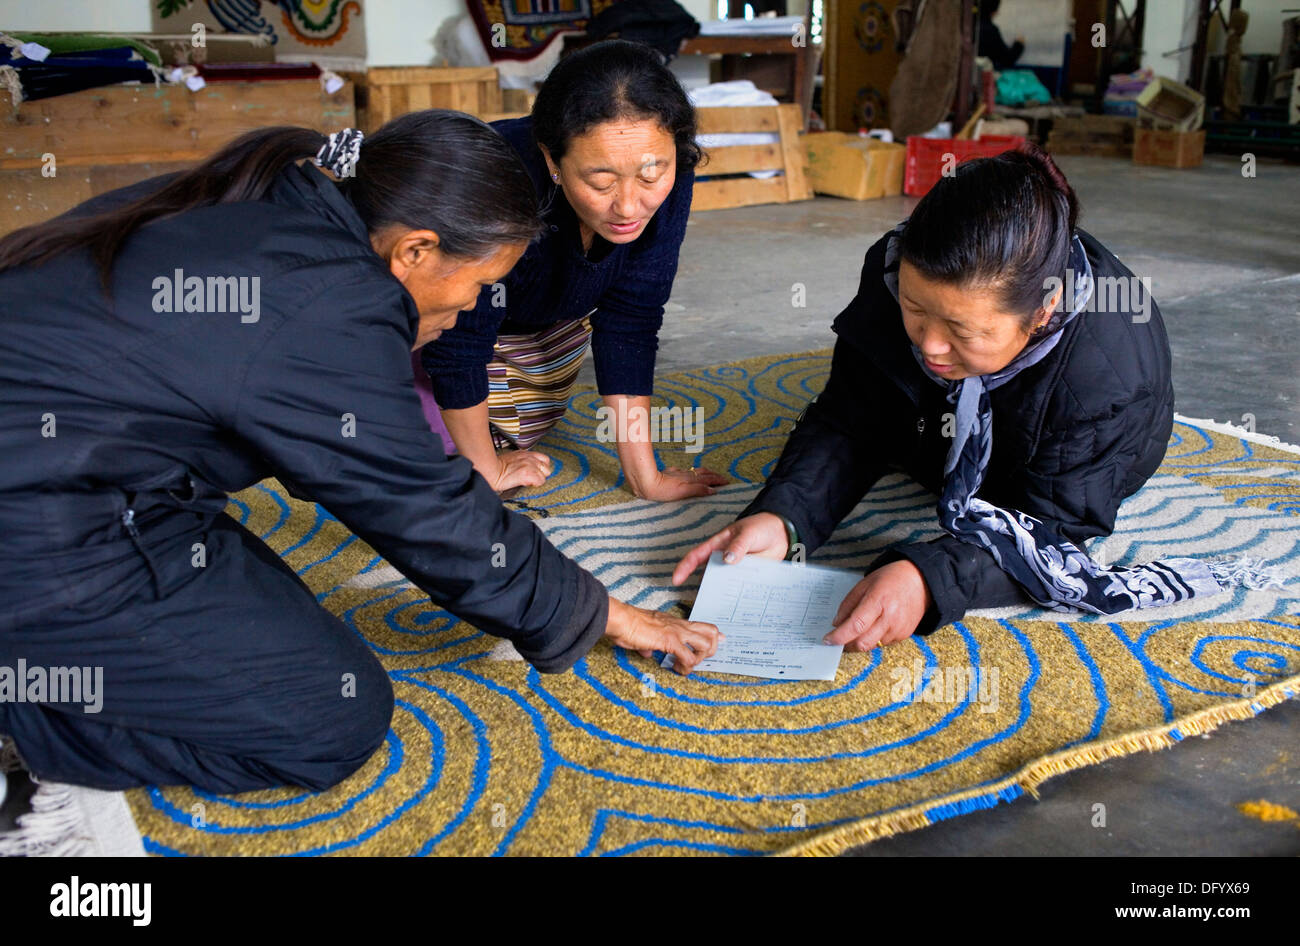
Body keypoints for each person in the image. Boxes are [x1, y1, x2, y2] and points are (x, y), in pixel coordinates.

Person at [0, 111, 719, 795]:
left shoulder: (289, 200)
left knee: (273, 618)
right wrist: (610, 614)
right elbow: (426, 510)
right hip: (38, 523)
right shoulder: (325, 304)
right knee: (330, 720)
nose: (472, 310)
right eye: (478, 286)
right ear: (415, 250)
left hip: (85, 476)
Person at [675, 144, 1239, 652]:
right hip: (938, 432)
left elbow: (1055, 530)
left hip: (1071, 464)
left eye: (963, 332)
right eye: (916, 311)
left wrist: (928, 577)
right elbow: (853, 415)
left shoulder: (1108, 374)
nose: (930, 346)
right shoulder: (899, 267)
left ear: (1042, 313)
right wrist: (785, 518)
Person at [415, 40, 729, 501]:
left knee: (516, 418)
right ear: (551, 159)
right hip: (430, 324)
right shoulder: (500, 179)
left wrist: (647, 478)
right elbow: (458, 341)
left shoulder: (672, 168)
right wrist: (487, 470)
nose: (628, 206)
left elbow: (631, 320)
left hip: (538, 326)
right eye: (600, 182)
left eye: (650, 175)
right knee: (415, 456)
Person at [978, 0, 1026, 70]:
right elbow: (1007, 59)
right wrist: (1019, 44)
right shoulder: (990, 31)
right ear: (994, 12)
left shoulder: (969, 25)